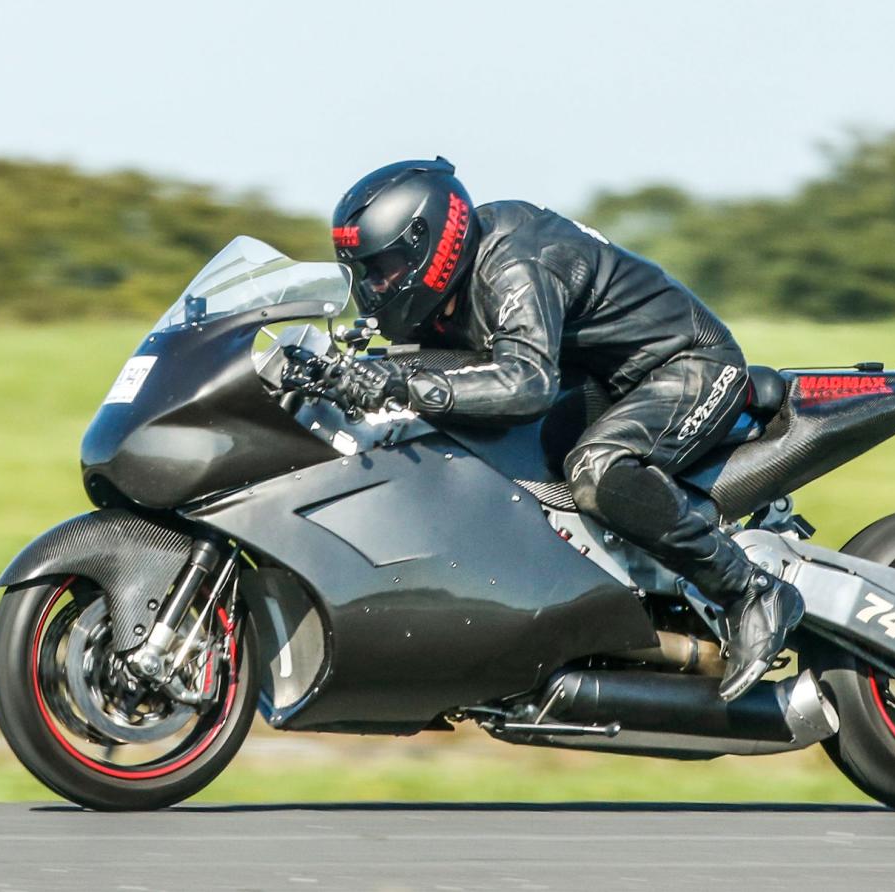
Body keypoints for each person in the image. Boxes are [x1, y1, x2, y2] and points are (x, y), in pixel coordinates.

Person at [329, 157, 803, 701]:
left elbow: (524, 382)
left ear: (430, 246)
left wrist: (406, 386)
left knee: (596, 470)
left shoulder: (516, 263)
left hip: (687, 365)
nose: (373, 284)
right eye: (362, 271)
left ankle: (751, 592)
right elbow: (427, 360)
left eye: (383, 267)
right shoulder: (455, 278)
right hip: (604, 380)